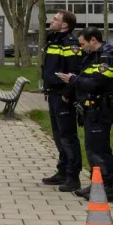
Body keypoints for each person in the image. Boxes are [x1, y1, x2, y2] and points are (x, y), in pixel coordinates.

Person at [58, 27, 113, 201]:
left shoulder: (106, 58)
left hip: (100, 109)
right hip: (92, 109)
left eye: (83, 43)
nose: (81, 47)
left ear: (93, 40)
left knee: (99, 150)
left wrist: (73, 80)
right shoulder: (93, 57)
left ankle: (106, 188)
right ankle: (96, 184)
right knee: (92, 150)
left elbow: (97, 83)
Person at [40, 10, 84, 193]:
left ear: (65, 24)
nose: (52, 20)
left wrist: (68, 93)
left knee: (67, 136)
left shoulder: (70, 44)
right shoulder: (54, 40)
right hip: (53, 94)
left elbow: (73, 71)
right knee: (58, 136)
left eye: (56, 19)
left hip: (63, 96)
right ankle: (62, 171)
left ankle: (73, 176)